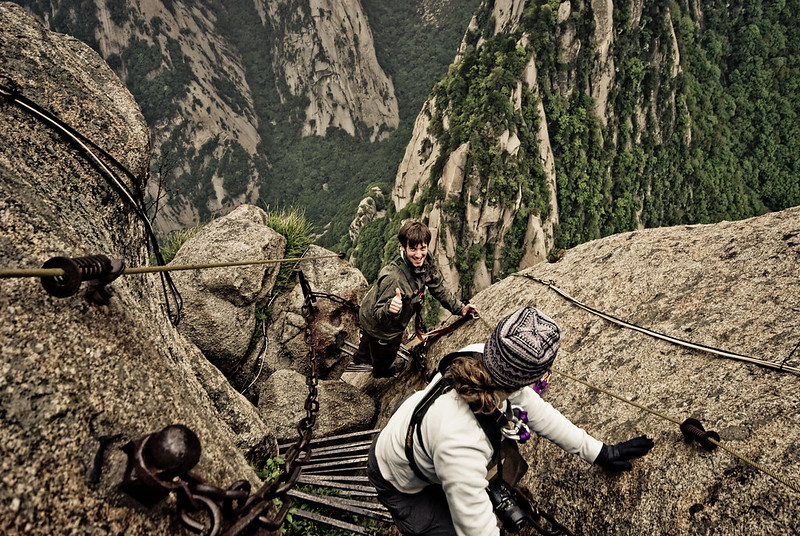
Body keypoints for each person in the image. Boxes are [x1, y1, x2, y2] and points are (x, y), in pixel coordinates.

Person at [367, 306, 654, 536]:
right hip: (398, 480)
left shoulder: (480, 355)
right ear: (529, 378)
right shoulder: (461, 443)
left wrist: (598, 451)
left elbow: (537, 411)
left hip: (414, 435)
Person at [354, 220, 477, 378]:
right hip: (383, 325)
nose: (419, 255)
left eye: (422, 248)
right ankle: (380, 370)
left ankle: (361, 357)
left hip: (372, 313)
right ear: (402, 246)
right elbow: (379, 316)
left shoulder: (425, 262)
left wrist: (460, 308)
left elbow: (437, 287)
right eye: (412, 248)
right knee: (385, 353)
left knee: (369, 342)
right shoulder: (394, 278)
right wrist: (389, 309)